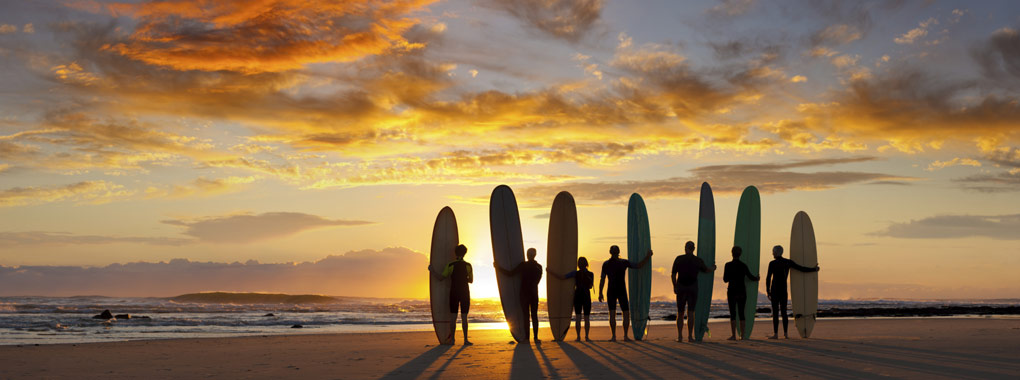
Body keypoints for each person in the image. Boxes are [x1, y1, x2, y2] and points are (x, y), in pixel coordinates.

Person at [598, 245, 652, 342]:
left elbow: (602, 279)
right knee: (626, 313)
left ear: (610, 252)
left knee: (612, 313)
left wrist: (600, 292)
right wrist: (648, 257)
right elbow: (638, 265)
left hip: (611, 290)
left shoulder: (606, 264)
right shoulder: (623, 262)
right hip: (621, 290)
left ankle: (614, 336)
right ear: (618, 252)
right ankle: (625, 336)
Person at [765, 245, 820, 339]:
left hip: (774, 290)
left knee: (775, 313)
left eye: (773, 251)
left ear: (776, 252)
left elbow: (768, 278)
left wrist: (768, 291)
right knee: (784, 312)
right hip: (783, 290)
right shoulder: (787, 262)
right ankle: (786, 334)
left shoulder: (772, 263)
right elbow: (801, 268)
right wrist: (813, 269)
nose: (772, 253)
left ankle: (776, 334)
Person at [495, 248, 543, 343]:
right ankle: (536, 338)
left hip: (524, 294)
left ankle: (526, 338)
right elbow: (537, 281)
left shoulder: (523, 265)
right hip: (534, 293)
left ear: (527, 254)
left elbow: (510, 274)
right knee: (534, 315)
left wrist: (498, 267)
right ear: (535, 255)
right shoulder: (539, 267)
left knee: (526, 316)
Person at [671, 241, 716, 342]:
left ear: (685, 248)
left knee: (680, 312)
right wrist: (713, 268)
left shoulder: (679, 259)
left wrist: (674, 286)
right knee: (691, 312)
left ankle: (680, 336)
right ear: (694, 249)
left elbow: (673, 274)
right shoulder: (697, 260)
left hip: (681, 287)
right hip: (692, 287)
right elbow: (707, 270)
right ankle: (690, 337)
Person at [429, 244, 473, 345]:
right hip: (465, 292)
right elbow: (471, 280)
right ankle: (465, 340)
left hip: (454, 292)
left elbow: (441, 278)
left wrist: (432, 270)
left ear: (455, 253)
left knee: (453, 317)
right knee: (464, 317)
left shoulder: (450, 265)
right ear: (465, 253)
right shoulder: (468, 265)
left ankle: (452, 340)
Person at [548, 256, 595, 341]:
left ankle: (578, 337)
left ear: (578, 265)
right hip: (586, 296)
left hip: (578, 296)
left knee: (578, 317)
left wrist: (551, 272)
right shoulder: (591, 274)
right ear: (586, 264)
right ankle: (587, 337)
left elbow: (562, 277)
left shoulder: (575, 273)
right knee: (587, 317)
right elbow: (590, 286)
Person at [723, 246, 759, 341]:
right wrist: (757, 278)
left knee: (733, 313)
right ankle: (742, 335)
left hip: (732, 291)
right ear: (740, 254)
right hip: (742, 291)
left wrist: (731, 276)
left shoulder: (728, 265)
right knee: (742, 313)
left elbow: (725, 279)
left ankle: (733, 335)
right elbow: (751, 277)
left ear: (732, 253)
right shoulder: (743, 265)